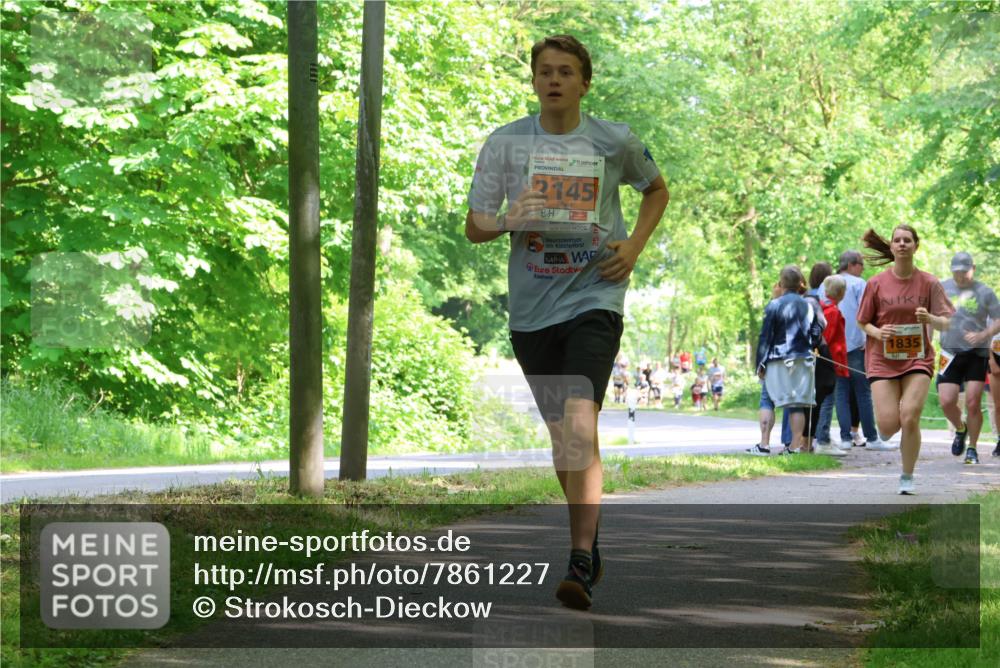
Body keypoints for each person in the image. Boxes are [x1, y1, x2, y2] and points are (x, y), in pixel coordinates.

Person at [466, 34, 668, 609]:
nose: (553, 80)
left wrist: (633, 245)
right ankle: (590, 540)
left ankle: (579, 558)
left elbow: (656, 190)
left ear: (584, 82)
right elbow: (474, 226)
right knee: (565, 440)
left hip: (595, 295)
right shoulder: (505, 144)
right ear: (533, 81)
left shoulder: (613, 140)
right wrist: (509, 219)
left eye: (565, 71)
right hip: (532, 308)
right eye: (544, 72)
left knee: (580, 424)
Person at [856, 225, 954, 494]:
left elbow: (947, 322)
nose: (901, 244)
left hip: (917, 358)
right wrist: (879, 332)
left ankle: (907, 476)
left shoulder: (930, 283)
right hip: (882, 358)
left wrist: (930, 319)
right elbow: (862, 321)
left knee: (910, 417)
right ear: (891, 247)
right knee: (888, 425)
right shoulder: (876, 283)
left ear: (915, 246)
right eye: (897, 240)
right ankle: (887, 429)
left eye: (907, 240)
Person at [821, 250, 893, 450]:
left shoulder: (825, 284)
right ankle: (871, 438)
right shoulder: (860, 284)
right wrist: (867, 339)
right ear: (852, 264)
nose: (863, 269)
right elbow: (866, 313)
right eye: (861, 264)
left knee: (841, 393)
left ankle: (845, 438)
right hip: (855, 343)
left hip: (832, 347)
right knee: (863, 391)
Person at [936, 252, 1000, 465]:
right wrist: (927, 344)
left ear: (973, 268)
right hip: (949, 351)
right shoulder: (942, 288)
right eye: (956, 272)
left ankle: (972, 448)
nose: (960, 276)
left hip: (976, 353)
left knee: (973, 402)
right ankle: (960, 428)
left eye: (964, 271)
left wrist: (983, 335)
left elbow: (998, 320)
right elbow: (930, 318)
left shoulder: (985, 292)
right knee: (946, 401)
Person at [756, 266, 824, 453]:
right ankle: (794, 447)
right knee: (797, 404)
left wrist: (760, 363)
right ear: (800, 283)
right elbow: (818, 330)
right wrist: (810, 344)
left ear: (781, 283)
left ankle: (764, 444)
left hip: (777, 358)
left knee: (767, 400)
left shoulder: (774, 305)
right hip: (801, 358)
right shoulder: (808, 305)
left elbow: (765, 337)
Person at [816, 274, 851, 451]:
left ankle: (823, 437)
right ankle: (822, 440)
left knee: (825, 400)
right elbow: (828, 340)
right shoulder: (833, 312)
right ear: (841, 292)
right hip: (831, 363)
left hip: (827, 362)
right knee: (828, 400)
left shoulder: (824, 308)